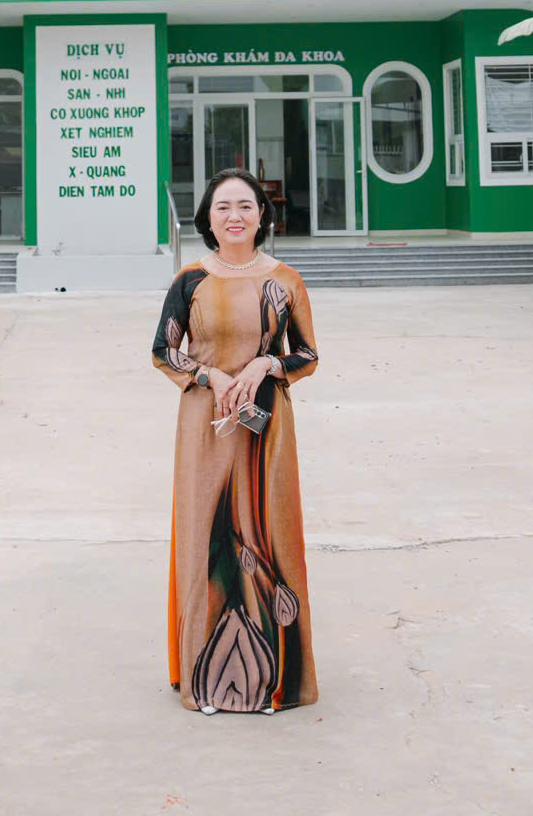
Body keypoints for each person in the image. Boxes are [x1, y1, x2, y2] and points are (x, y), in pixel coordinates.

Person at [149, 168, 321, 713]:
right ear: (208, 217)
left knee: (268, 534)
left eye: (245, 205)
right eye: (223, 206)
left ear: (262, 215)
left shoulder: (286, 280)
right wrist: (210, 376)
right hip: (205, 422)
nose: (235, 216)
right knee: (206, 535)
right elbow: (163, 351)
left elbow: (307, 355)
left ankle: (275, 682)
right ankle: (204, 679)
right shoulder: (190, 280)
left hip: (266, 427)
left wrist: (266, 363)